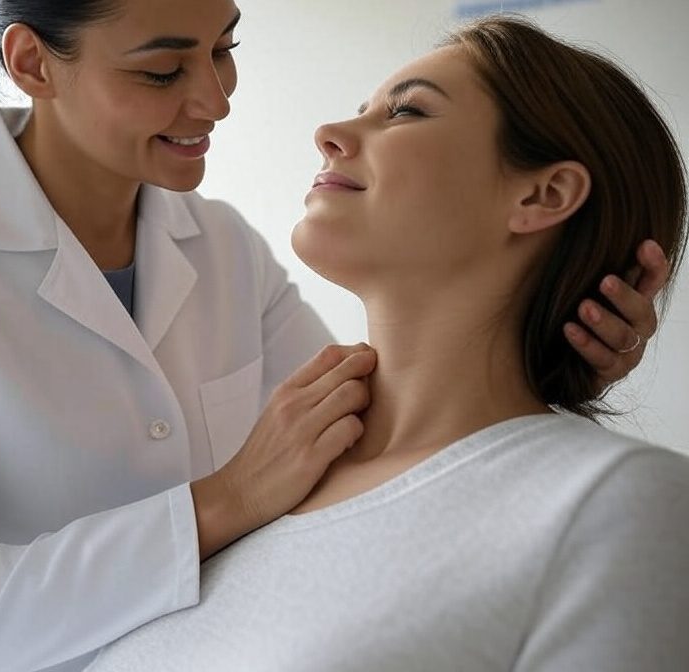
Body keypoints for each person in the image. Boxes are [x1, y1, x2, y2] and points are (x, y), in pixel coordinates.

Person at [0, 2, 667, 670]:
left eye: (224, 48)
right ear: (33, 65)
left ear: (543, 196)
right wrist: (221, 501)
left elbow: (385, 412)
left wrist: (562, 340)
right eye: (164, 72)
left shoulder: (223, 248)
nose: (215, 98)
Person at [84, 15, 689, 672]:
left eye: (406, 112)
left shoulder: (616, 504)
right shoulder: (259, 482)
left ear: (544, 194)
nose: (328, 135)